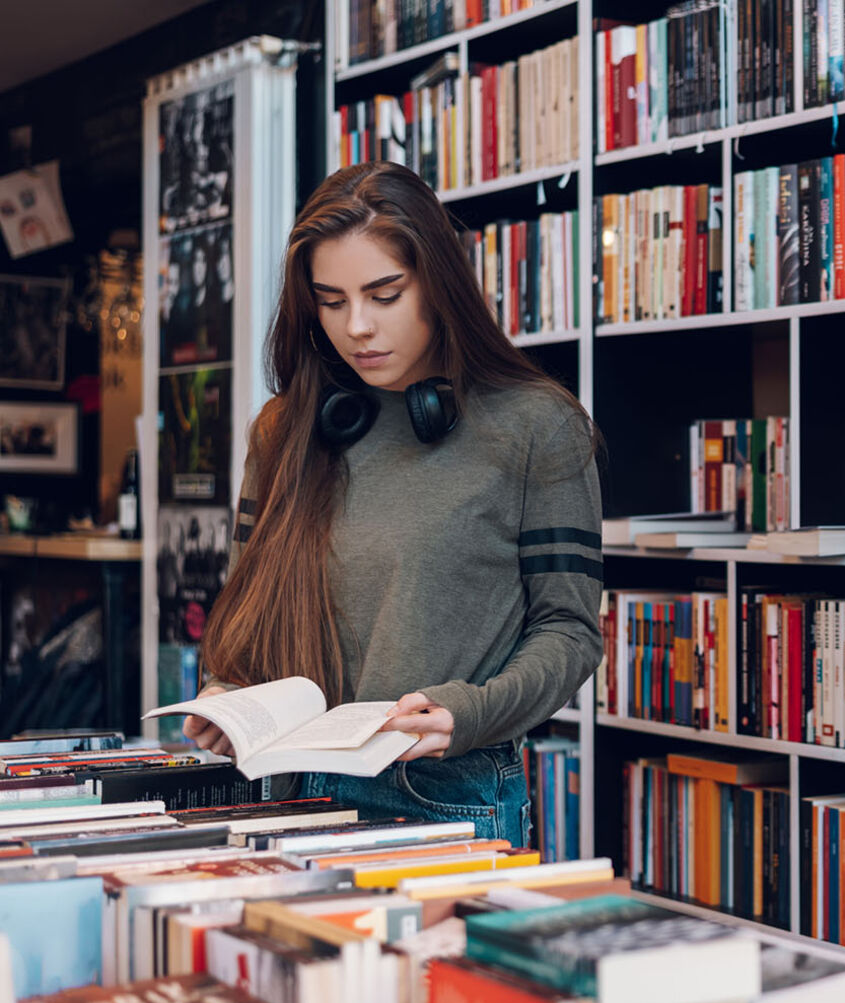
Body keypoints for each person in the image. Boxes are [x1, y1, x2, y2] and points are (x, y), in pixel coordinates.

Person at [186, 161, 603, 846]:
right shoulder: (283, 431)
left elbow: (571, 629)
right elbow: (250, 612)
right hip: (288, 789)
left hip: (442, 792)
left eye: (384, 294)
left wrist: (467, 713)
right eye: (331, 299)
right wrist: (229, 694)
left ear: (438, 284)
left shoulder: (537, 426)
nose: (356, 327)